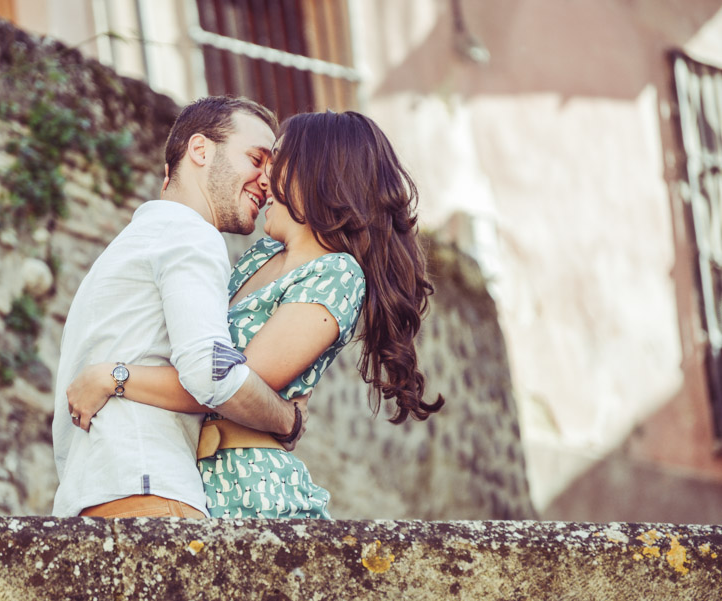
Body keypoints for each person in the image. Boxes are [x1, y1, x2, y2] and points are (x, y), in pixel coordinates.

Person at [68, 110, 444, 518]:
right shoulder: (258, 258)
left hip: (251, 487)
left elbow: (219, 384)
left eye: (276, 161)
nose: (263, 179)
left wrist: (115, 377)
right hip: (194, 477)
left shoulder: (335, 274)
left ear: (316, 170)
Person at [51, 96, 309, 520]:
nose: (267, 181)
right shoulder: (191, 235)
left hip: (96, 492)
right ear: (201, 150)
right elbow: (208, 370)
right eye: (256, 158)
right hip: (151, 491)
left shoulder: (132, 245)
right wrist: (286, 420)